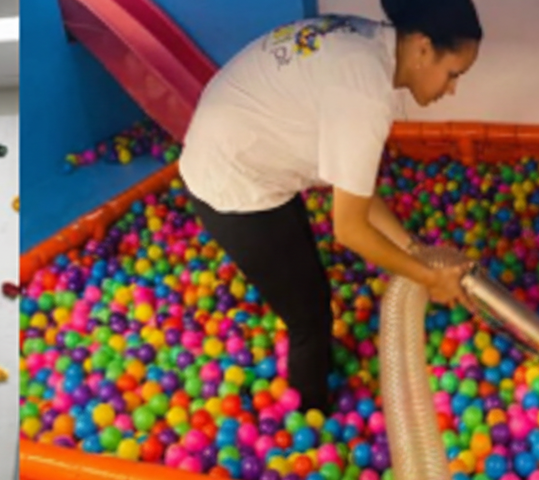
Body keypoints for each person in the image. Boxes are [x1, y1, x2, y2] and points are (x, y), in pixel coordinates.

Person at [179, 0, 485, 415]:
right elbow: (350, 228)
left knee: (312, 289)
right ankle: (310, 419)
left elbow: (354, 185)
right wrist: (428, 278)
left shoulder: (372, 44)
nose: (451, 90)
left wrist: (412, 248)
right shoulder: (364, 92)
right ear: (423, 47)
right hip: (232, 177)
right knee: (309, 317)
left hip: (245, 151)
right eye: (453, 74)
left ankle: (318, 372)